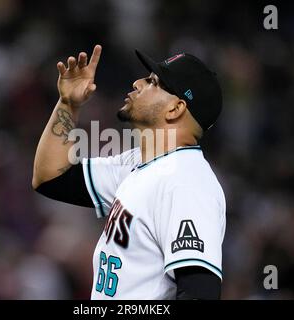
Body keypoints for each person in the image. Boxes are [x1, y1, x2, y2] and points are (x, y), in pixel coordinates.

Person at [32, 45, 225, 300]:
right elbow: (50, 178)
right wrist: (68, 104)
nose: (137, 82)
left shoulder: (186, 182)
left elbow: (200, 293)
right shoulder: (139, 164)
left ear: (175, 109)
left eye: (153, 82)